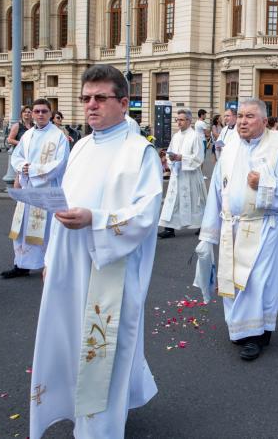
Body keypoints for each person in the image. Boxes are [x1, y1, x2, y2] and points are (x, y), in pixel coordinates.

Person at [29, 65, 163, 439]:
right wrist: (51, 259)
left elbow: (146, 214)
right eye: (86, 98)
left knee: (105, 348)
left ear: (123, 103)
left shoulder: (140, 152)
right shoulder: (82, 145)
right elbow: (66, 204)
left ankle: (100, 430)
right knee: (72, 341)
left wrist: (96, 219)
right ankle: (80, 411)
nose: (91, 105)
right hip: (69, 266)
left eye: (100, 98)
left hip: (111, 267)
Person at [193, 98, 278, 361]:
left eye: (249, 116)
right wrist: (209, 234)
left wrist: (264, 182)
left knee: (255, 281)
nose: (242, 121)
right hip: (233, 226)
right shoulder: (229, 148)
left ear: (264, 121)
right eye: (239, 116)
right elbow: (217, 191)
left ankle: (258, 335)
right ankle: (240, 329)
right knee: (233, 279)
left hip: (262, 226)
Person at [3, 99, 70, 279]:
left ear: (50, 114)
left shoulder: (59, 136)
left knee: (47, 228)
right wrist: (23, 167)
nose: (40, 114)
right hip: (28, 188)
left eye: (44, 111)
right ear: (32, 114)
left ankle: (49, 264)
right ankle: (21, 264)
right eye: (37, 111)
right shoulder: (27, 135)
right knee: (23, 227)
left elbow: (61, 164)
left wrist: (32, 170)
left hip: (46, 189)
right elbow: (17, 156)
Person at [158, 108, 207, 239]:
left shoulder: (195, 136)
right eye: (177, 119)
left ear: (189, 121)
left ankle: (202, 225)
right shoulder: (176, 136)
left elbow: (199, 157)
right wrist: (170, 159)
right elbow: (170, 151)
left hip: (190, 175)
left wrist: (182, 158)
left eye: (181, 120)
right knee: (172, 201)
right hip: (177, 173)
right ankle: (169, 228)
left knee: (195, 201)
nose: (178, 122)